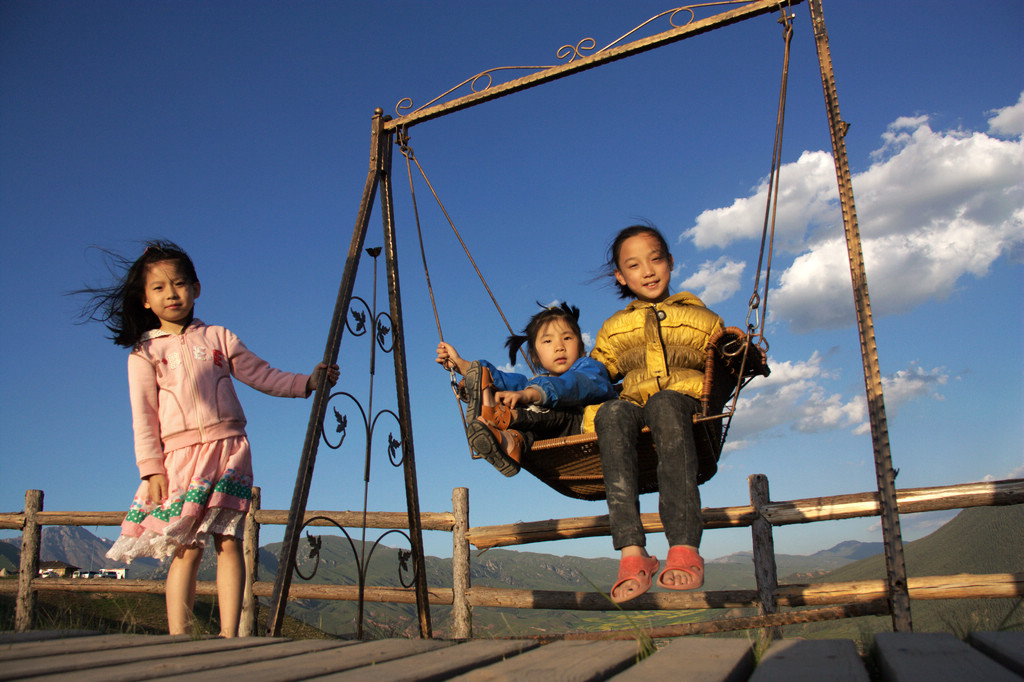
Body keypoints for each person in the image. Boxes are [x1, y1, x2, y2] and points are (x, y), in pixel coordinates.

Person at [77, 240, 338, 637]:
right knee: (187, 547)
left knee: (229, 540)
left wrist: (308, 382)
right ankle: (179, 637)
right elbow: (143, 418)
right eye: (159, 288)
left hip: (230, 449)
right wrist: (151, 470)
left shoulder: (219, 338)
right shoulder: (144, 353)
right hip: (178, 460)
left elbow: (263, 375)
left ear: (196, 288)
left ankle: (229, 636)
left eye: (179, 284)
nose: (171, 294)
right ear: (144, 299)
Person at [590, 224, 725, 603]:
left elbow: (725, 362)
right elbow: (595, 374)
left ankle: (683, 546)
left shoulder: (703, 318)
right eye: (634, 265)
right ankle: (633, 553)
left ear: (669, 262)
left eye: (655, 260)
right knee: (610, 414)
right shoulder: (615, 329)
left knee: (664, 403)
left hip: (686, 405)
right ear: (621, 275)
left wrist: (739, 351)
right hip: (636, 409)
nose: (647, 271)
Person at [436, 302, 616, 477]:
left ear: (582, 346)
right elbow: (510, 382)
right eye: (547, 341)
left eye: (567, 338)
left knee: (547, 408)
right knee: (515, 398)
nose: (559, 346)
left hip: (587, 432)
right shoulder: (537, 382)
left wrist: (532, 394)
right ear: (535, 356)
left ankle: (500, 415)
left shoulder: (590, 368)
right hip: (550, 439)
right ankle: (511, 440)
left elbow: (576, 384)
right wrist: (463, 366)